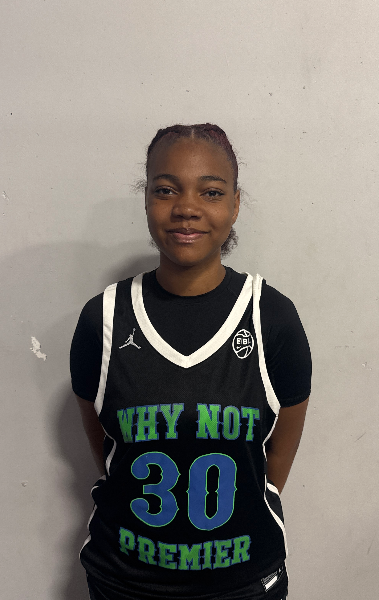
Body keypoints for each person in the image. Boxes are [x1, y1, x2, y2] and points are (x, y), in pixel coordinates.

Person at [70, 124, 311, 600]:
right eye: (166, 190)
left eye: (211, 191)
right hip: (124, 582)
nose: (186, 207)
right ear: (146, 201)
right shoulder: (104, 318)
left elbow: (275, 461)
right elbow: (108, 447)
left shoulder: (272, 317)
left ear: (235, 205)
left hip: (243, 583)